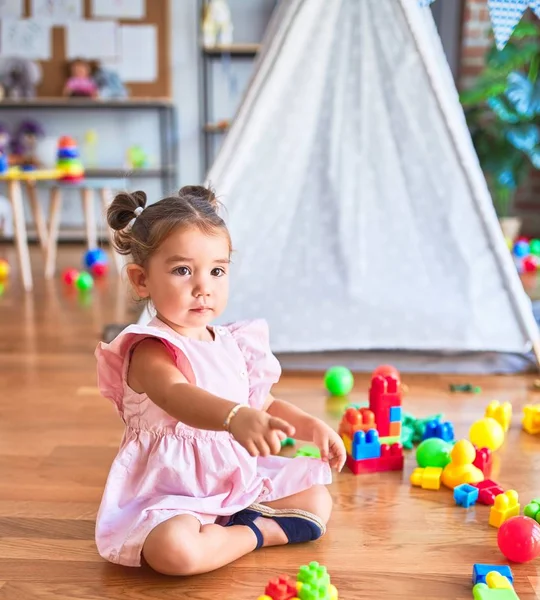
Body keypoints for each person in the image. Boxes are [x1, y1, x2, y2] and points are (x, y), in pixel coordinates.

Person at [95, 185, 346, 576]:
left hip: (233, 478)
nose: (203, 287)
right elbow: (178, 395)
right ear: (141, 280)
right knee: (174, 552)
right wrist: (233, 417)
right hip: (172, 492)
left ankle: (240, 522)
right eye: (182, 271)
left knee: (317, 500)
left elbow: (262, 405)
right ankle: (255, 533)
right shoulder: (151, 350)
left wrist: (309, 427)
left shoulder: (233, 342)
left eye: (217, 270)